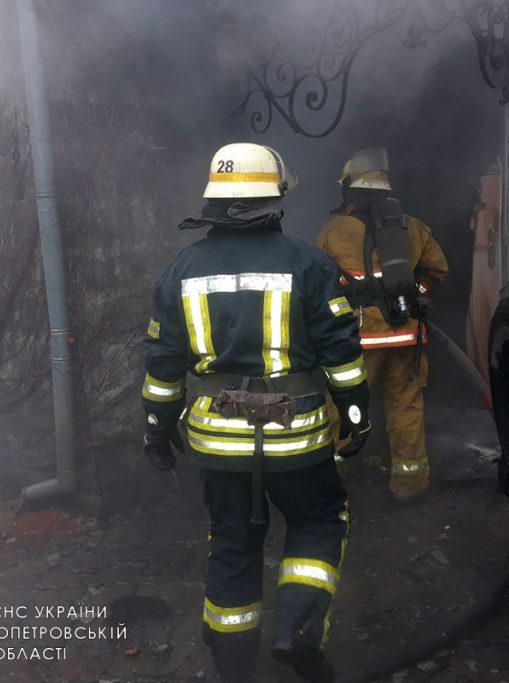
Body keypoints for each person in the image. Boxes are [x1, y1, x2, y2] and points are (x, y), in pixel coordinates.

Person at [140, 142, 371, 683]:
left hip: (219, 446)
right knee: (317, 522)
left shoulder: (181, 270)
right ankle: (298, 632)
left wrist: (156, 428)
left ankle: (233, 663)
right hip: (297, 440)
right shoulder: (308, 264)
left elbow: (162, 363)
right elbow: (341, 353)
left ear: (214, 201)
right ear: (276, 197)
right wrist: (357, 416)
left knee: (233, 540)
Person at [316, 148, 448, 499]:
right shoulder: (413, 226)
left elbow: (317, 281)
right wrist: (416, 294)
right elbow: (437, 270)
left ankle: (331, 478)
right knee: (406, 405)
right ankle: (410, 484)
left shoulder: (334, 230)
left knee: (342, 404)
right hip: (407, 335)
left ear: (348, 190)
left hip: (359, 337)